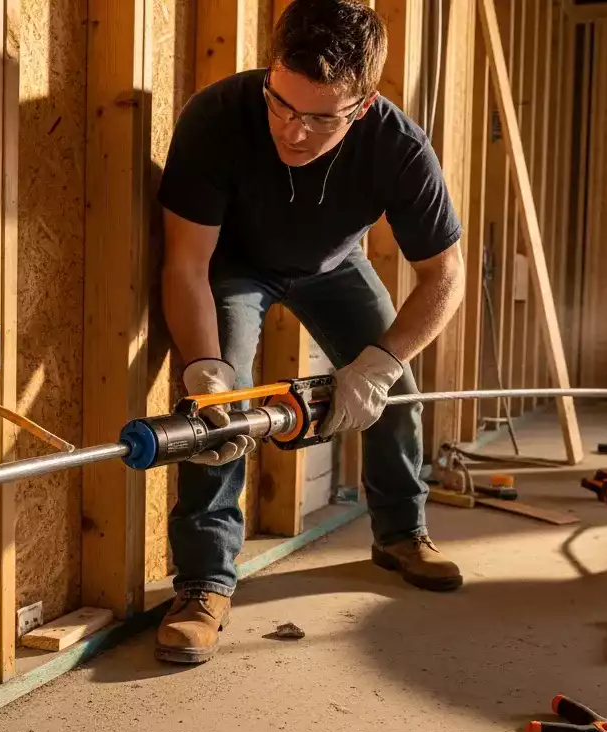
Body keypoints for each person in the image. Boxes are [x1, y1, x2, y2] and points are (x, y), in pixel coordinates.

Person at [153, 0, 467, 664]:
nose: (294, 133)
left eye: (321, 118)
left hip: (334, 263)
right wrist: (205, 370)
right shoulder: (216, 117)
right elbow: (187, 263)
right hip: (232, 263)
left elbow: (445, 277)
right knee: (221, 414)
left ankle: (401, 531)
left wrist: (377, 367)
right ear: (271, 72)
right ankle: (204, 582)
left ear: (364, 104)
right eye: (282, 104)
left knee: (399, 389)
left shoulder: (398, 147)